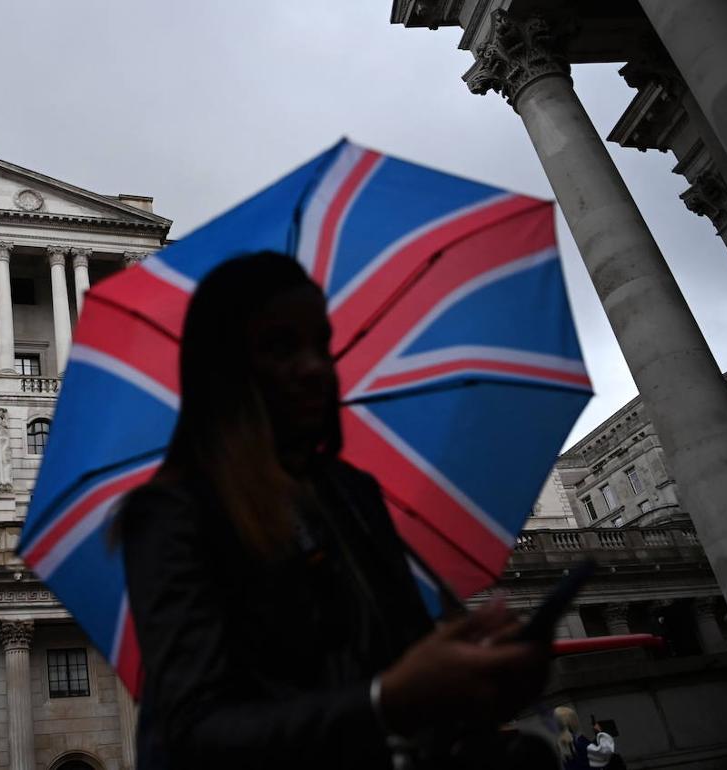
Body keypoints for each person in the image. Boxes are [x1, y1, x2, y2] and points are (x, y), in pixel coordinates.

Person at [119, 252, 553, 768]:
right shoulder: (172, 513)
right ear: (224, 368)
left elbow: (402, 654)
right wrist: (386, 700)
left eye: (321, 344)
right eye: (280, 347)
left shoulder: (352, 493)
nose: (314, 367)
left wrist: (472, 664)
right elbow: (194, 733)